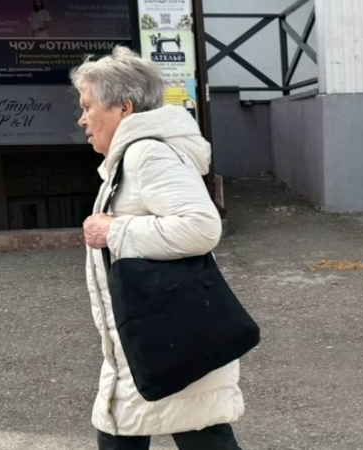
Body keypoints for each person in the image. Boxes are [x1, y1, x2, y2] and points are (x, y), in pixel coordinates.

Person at [71, 46, 243, 450]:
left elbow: (201, 227)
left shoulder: (147, 153)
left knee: (131, 433)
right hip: (157, 341)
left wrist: (115, 231)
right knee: (194, 433)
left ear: (124, 108)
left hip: (160, 340)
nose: (81, 119)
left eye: (87, 106)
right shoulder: (132, 156)